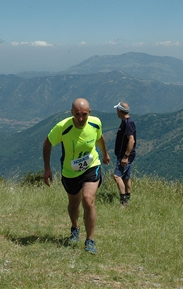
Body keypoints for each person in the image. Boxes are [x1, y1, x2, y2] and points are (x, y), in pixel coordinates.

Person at [43, 98, 110, 254]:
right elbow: (47, 143)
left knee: (88, 199)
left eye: (84, 115)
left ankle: (90, 240)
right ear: (71, 112)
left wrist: (105, 154)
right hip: (70, 171)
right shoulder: (62, 127)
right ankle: (75, 227)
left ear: (89, 113)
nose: (81, 119)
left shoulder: (95, 123)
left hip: (91, 166)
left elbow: (99, 137)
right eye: (77, 115)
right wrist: (47, 168)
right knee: (74, 204)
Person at [112, 101, 136, 208]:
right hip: (125, 155)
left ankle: (123, 202)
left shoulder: (128, 123)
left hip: (125, 156)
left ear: (120, 111)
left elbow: (131, 140)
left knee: (117, 176)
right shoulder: (125, 122)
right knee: (126, 177)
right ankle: (127, 199)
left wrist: (125, 156)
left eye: (117, 109)